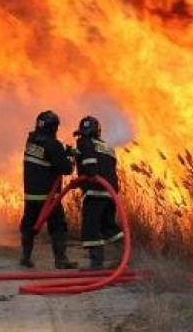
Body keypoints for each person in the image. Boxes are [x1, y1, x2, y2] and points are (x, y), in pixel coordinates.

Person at [19, 110, 78, 269]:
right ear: (53, 127)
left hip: (31, 195)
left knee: (29, 225)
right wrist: (71, 158)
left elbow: (47, 154)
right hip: (48, 196)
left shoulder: (31, 141)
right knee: (58, 226)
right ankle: (61, 260)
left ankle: (25, 258)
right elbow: (66, 169)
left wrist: (62, 151)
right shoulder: (53, 145)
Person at [73, 115, 123, 270]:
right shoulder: (108, 147)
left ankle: (96, 264)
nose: (81, 136)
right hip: (111, 193)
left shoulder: (84, 143)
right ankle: (127, 254)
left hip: (95, 191)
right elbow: (106, 168)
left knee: (91, 227)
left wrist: (83, 178)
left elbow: (90, 166)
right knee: (108, 226)